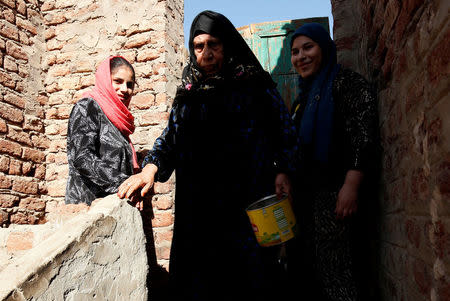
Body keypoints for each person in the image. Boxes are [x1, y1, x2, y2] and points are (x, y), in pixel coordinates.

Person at [118, 10, 298, 301]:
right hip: (199, 214)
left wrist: (283, 170)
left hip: (247, 206)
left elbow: (285, 131)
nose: (207, 53)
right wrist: (150, 169)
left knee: (251, 283)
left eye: (214, 44)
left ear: (226, 45)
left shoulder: (254, 85)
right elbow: (170, 140)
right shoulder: (189, 94)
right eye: (199, 46)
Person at [287, 23, 378, 300]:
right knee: (313, 274)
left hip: (337, 200)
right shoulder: (302, 101)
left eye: (308, 47)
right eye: (294, 51)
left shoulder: (346, 84)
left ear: (324, 48)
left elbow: (363, 136)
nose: (300, 56)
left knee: (339, 275)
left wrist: (351, 185)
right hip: (308, 203)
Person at [65, 56, 143, 208]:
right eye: (118, 81)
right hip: (88, 208)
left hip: (115, 209)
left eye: (130, 84)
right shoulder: (88, 107)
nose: (125, 89)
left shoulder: (119, 124)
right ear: (106, 80)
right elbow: (82, 157)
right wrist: (125, 183)